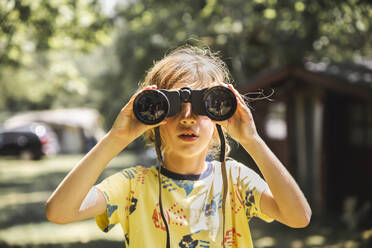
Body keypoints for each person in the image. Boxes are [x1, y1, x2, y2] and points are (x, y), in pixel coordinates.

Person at [46, 46, 311, 247]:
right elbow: (60, 212)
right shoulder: (132, 186)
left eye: (204, 106)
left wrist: (252, 141)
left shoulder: (236, 180)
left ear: (222, 115)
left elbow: (298, 217)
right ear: (154, 115)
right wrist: (115, 138)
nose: (187, 117)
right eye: (171, 107)